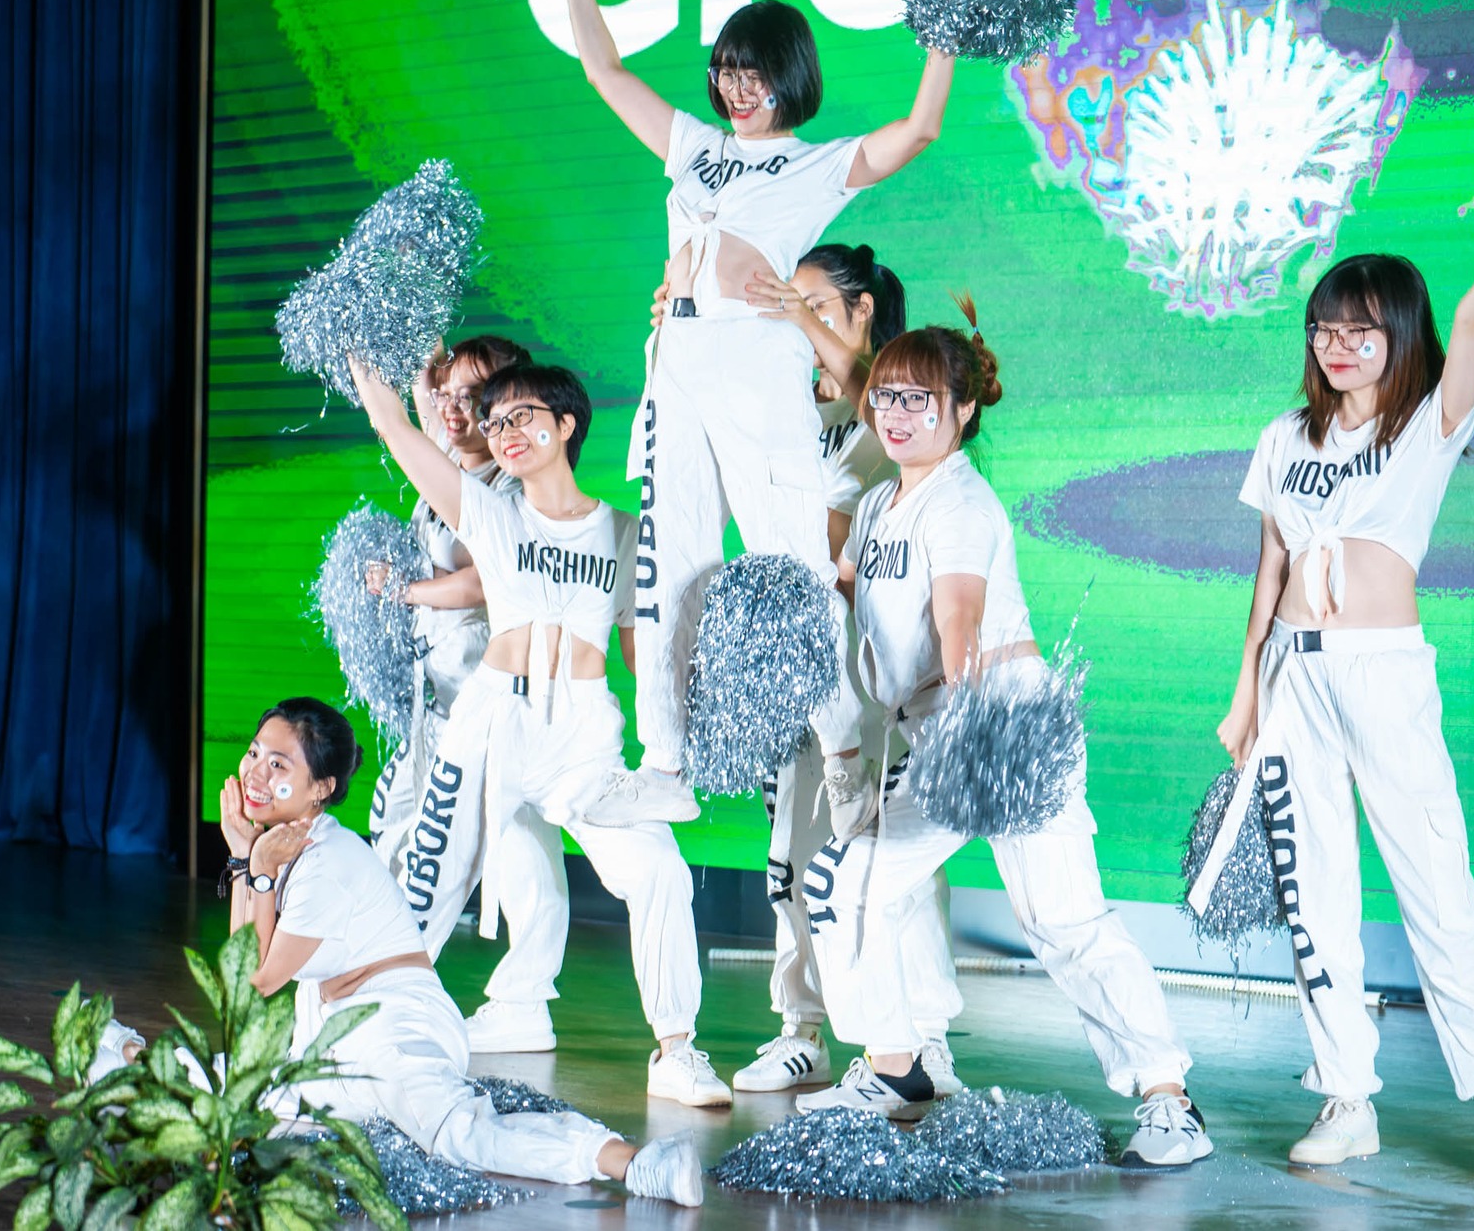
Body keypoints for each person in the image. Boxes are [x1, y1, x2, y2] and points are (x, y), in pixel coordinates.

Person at [1215, 162, 1474, 1188]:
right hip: (1292, 676)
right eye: (1323, 329)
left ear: (1397, 333)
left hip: (1382, 672)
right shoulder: (1284, 435)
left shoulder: (1429, 422)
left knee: (1435, 883)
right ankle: (1346, 1096)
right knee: (1314, 893)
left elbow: (1472, 318)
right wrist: (1245, 690)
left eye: (1360, 330)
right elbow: (1269, 563)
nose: (1337, 346)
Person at [544, 0, 956, 813]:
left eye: (754, 72)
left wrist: (946, 31)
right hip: (677, 363)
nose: (736, 88)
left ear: (789, 78)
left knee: (791, 563)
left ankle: (843, 749)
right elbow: (604, 71)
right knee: (671, 564)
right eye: (727, 70)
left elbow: (920, 129)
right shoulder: (692, 145)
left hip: (755, 365)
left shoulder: (815, 165)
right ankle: (664, 766)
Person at [795, 314, 1213, 1170]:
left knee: (1062, 917)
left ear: (962, 411)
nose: (897, 415)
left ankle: (1170, 1100)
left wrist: (963, 721)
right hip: (937, 725)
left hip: (1001, 723)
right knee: (847, 881)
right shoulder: (878, 503)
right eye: (886, 398)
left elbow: (959, 615)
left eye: (919, 400)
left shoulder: (960, 502)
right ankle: (896, 1069)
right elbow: (843, 587)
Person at [99, 698, 705, 1206]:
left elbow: (251, 983)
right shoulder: (283, 848)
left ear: (321, 788)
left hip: (396, 1027)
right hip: (335, 1036)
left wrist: (252, 864)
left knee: (458, 1135)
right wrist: (242, 856)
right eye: (255, 753)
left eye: (277, 763)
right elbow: (243, 961)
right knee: (243, 1097)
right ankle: (127, 1054)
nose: (255, 772)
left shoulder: (327, 861)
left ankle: (635, 1163)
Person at [346, 352, 733, 1107]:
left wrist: (695, 713)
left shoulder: (623, 533)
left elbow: (640, 656)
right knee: (427, 885)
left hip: (582, 742)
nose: (504, 432)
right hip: (490, 726)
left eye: (521, 415)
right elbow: (398, 429)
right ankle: (359, 1030)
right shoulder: (491, 513)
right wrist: (364, 359)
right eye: (494, 422)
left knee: (658, 870)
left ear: (566, 423)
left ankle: (678, 1051)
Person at [728, 245, 966, 1096]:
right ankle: (803, 1029)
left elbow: (840, 544)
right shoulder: (788, 416)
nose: (792, 321)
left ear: (862, 311)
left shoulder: (893, 416)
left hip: (874, 686)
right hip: (796, 668)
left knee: (886, 861)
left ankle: (923, 1040)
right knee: (793, 852)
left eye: (812, 305)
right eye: (783, 306)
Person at [362, 335, 577, 1056]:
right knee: (405, 828)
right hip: (439, 696)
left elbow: (488, 581)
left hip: (500, 695)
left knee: (515, 843)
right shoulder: (454, 463)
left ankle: (519, 999)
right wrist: (417, 348)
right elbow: (427, 411)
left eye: (475, 398)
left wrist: (407, 591)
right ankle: (374, 973)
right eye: (449, 396)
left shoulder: (516, 487)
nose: (455, 410)